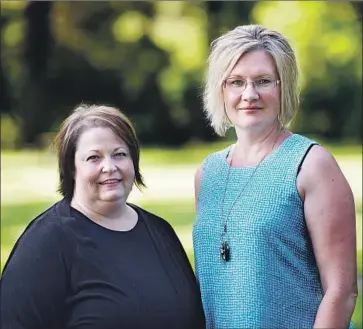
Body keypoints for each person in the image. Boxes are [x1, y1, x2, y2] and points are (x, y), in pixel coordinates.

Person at [193, 24, 357, 328]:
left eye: (264, 81)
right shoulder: (208, 174)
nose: (249, 94)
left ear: (283, 87)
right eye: (236, 82)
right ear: (221, 89)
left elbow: (341, 292)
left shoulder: (311, 164)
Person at [1, 104, 205, 329]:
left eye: (119, 154)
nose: (109, 167)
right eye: (93, 158)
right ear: (71, 168)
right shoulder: (46, 243)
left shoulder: (160, 231)